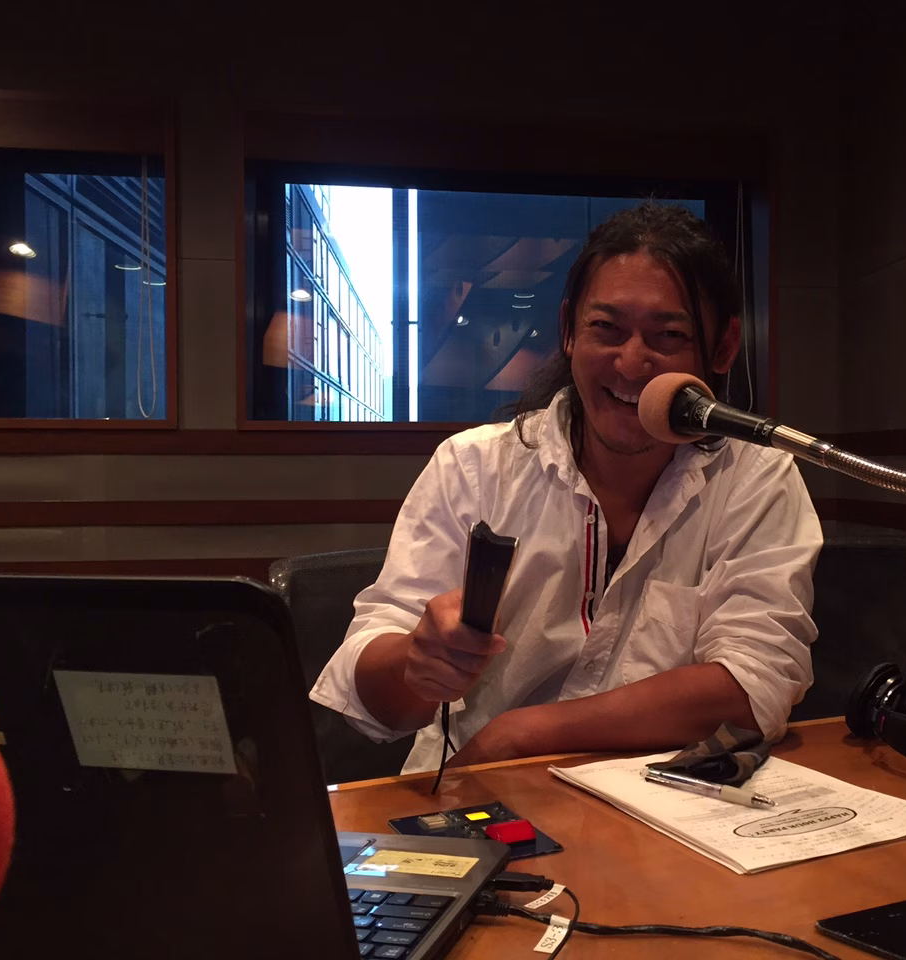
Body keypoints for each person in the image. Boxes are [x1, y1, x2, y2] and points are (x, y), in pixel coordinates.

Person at [310, 201, 821, 774]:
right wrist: (418, 661)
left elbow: (755, 684)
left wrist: (520, 734)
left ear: (723, 348)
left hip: (661, 802)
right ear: (568, 332)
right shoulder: (473, 466)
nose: (632, 363)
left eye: (668, 335)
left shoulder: (756, 479)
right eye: (606, 329)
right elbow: (374, 692)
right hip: (474, 791)